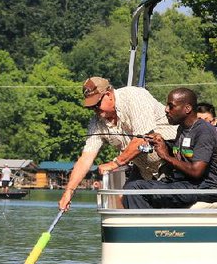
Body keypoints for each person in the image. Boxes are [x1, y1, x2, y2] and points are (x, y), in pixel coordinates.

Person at [58, 77, 178, 211]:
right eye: (91, 107)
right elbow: (86, 158)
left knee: (161, 202)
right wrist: (69, 191)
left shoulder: (134, 96)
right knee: (124, 200)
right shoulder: (97, 122)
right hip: (145, 170)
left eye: (96, 104)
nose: (95, 110)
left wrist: (115, 163)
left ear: (108, 94)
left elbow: (142, 139)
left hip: (173, 161)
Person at [123, 88, 217, 209]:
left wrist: (165, 156)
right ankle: (150, 225)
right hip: (183, 184)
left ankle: (144, 227)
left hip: (204, 187)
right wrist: (161, 143)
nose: (166, 109)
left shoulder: (204, 131)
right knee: (131, 186)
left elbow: (196, 171)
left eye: (171, 106)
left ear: (187, 109)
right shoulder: (182, 128)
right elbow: (180, 152)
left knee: (135, 189)